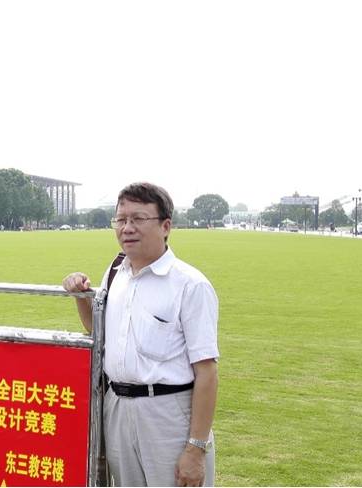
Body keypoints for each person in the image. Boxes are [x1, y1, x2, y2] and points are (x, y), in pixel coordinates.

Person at [63, 182, 219, 487]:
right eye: (121, 220)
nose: (127, 228)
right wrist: (81, 297)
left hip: (168, 414)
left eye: (138, 219)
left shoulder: (190, 285)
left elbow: (207, 372)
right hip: (118, 408)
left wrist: (196, 448)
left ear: (165, 226)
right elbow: (98, 331)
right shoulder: (116, 273)